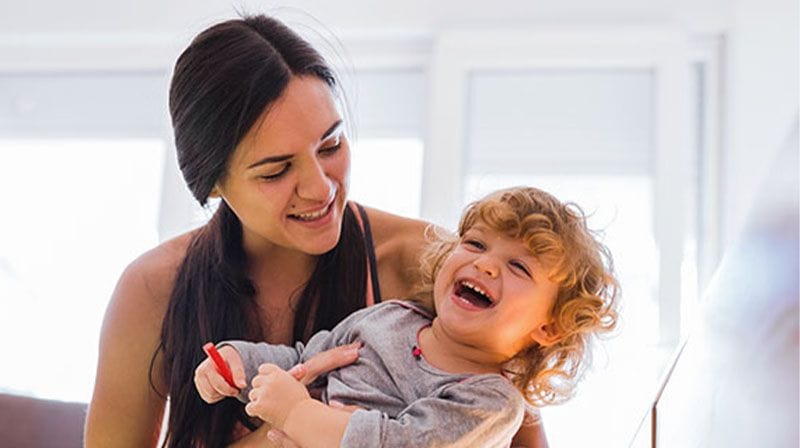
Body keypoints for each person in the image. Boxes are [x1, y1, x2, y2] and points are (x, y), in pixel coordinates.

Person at [84, 14, 551, 448]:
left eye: (330, 145)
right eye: (276, 170)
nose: (320, 188)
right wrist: (295, 424)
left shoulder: (428, 265)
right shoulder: (152, 289)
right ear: (213, 185)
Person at [194, 187, 620, 447]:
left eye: (519, 267)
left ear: (549, 327)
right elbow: (304, 360)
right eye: (474, 243)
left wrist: (297, 417)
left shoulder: (491, 402)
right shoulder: (390, 317)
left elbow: (403, 444)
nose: (486, 266)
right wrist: (238, 364)